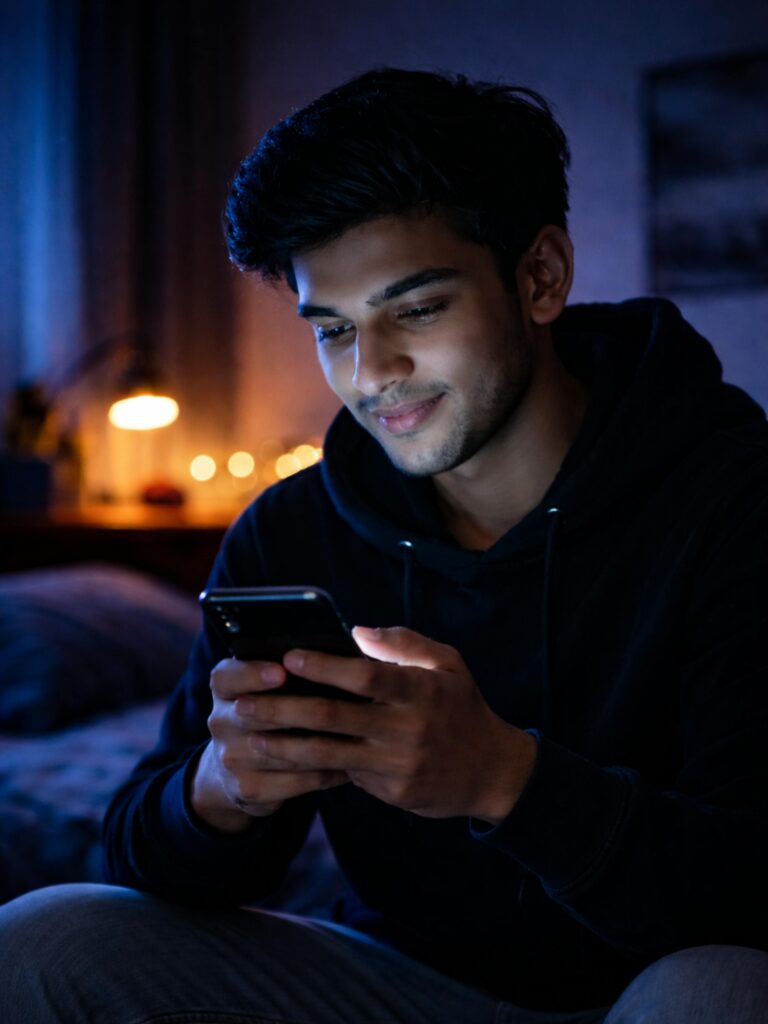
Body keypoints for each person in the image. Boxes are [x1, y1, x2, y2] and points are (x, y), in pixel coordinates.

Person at [2, 67, 768, 1023]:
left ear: (539, 277)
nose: (372, 375)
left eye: (416, 310)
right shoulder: (288, 532)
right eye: (333, 329)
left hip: (650, 988)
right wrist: (220, 792)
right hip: (393, 986)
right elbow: (137, 852)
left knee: (729, 986)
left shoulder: (737, 500)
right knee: (41, 939)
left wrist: (505, 780)